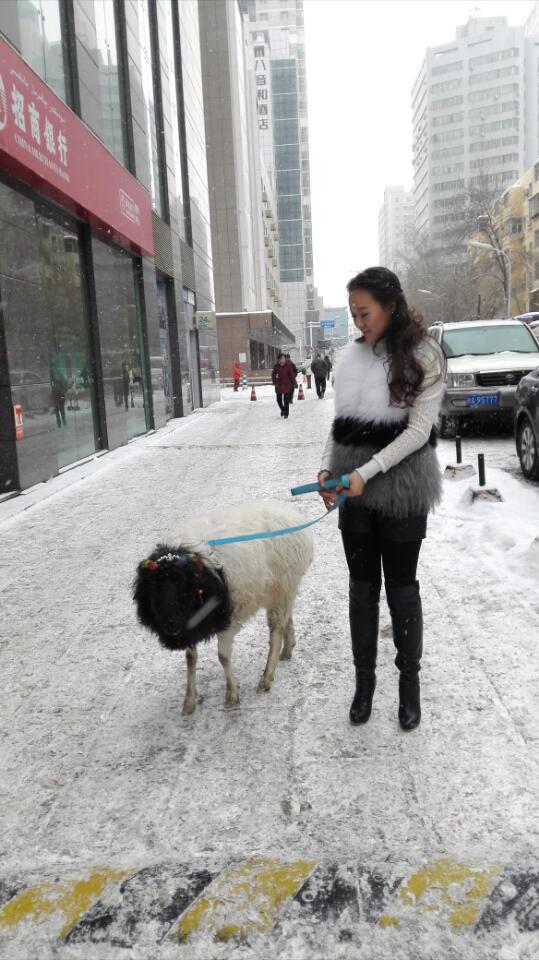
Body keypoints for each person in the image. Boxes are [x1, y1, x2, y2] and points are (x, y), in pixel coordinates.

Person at [317, 267, 446, 732]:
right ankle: (364, 684)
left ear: (390, 306)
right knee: (362, 589)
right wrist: (330, 470)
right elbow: (342, 422)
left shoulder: (422, 354)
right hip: (354, 488)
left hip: (403, 486)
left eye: (364, 312)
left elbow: (418, 431)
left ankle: (408, 685)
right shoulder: (349, 358)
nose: (358, 322)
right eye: (352, 313)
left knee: (402, 589)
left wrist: (366, 473)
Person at [272, 352, 296, 418]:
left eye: (282, 358)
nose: (281, 360)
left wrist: (294, 383)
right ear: (278, 360)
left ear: (285, 359)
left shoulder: (288, 366)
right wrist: (274, 379)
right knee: (278, 400)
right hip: (279, 385)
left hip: (287, 385)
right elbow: (273, 375)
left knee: (286, 400)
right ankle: (283, 409)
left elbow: (292, 375)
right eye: (280, 359)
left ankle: (286, 414)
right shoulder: (276, 366)